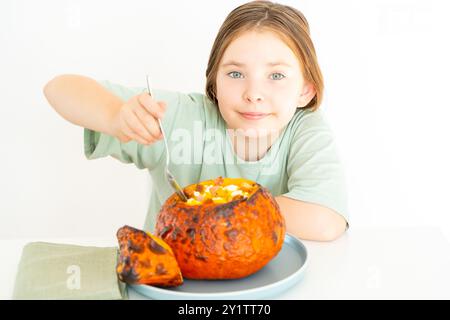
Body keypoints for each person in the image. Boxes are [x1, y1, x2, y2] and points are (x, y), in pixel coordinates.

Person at [44, 1, 348, 241]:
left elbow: (325, 220)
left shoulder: (306, 130)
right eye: (236, 74)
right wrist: (115, 115)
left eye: (276, 76)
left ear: (306, 90)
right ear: (213, 83)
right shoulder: (180, 119)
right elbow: (59, 88)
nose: (254, 93)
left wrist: (219, 206)